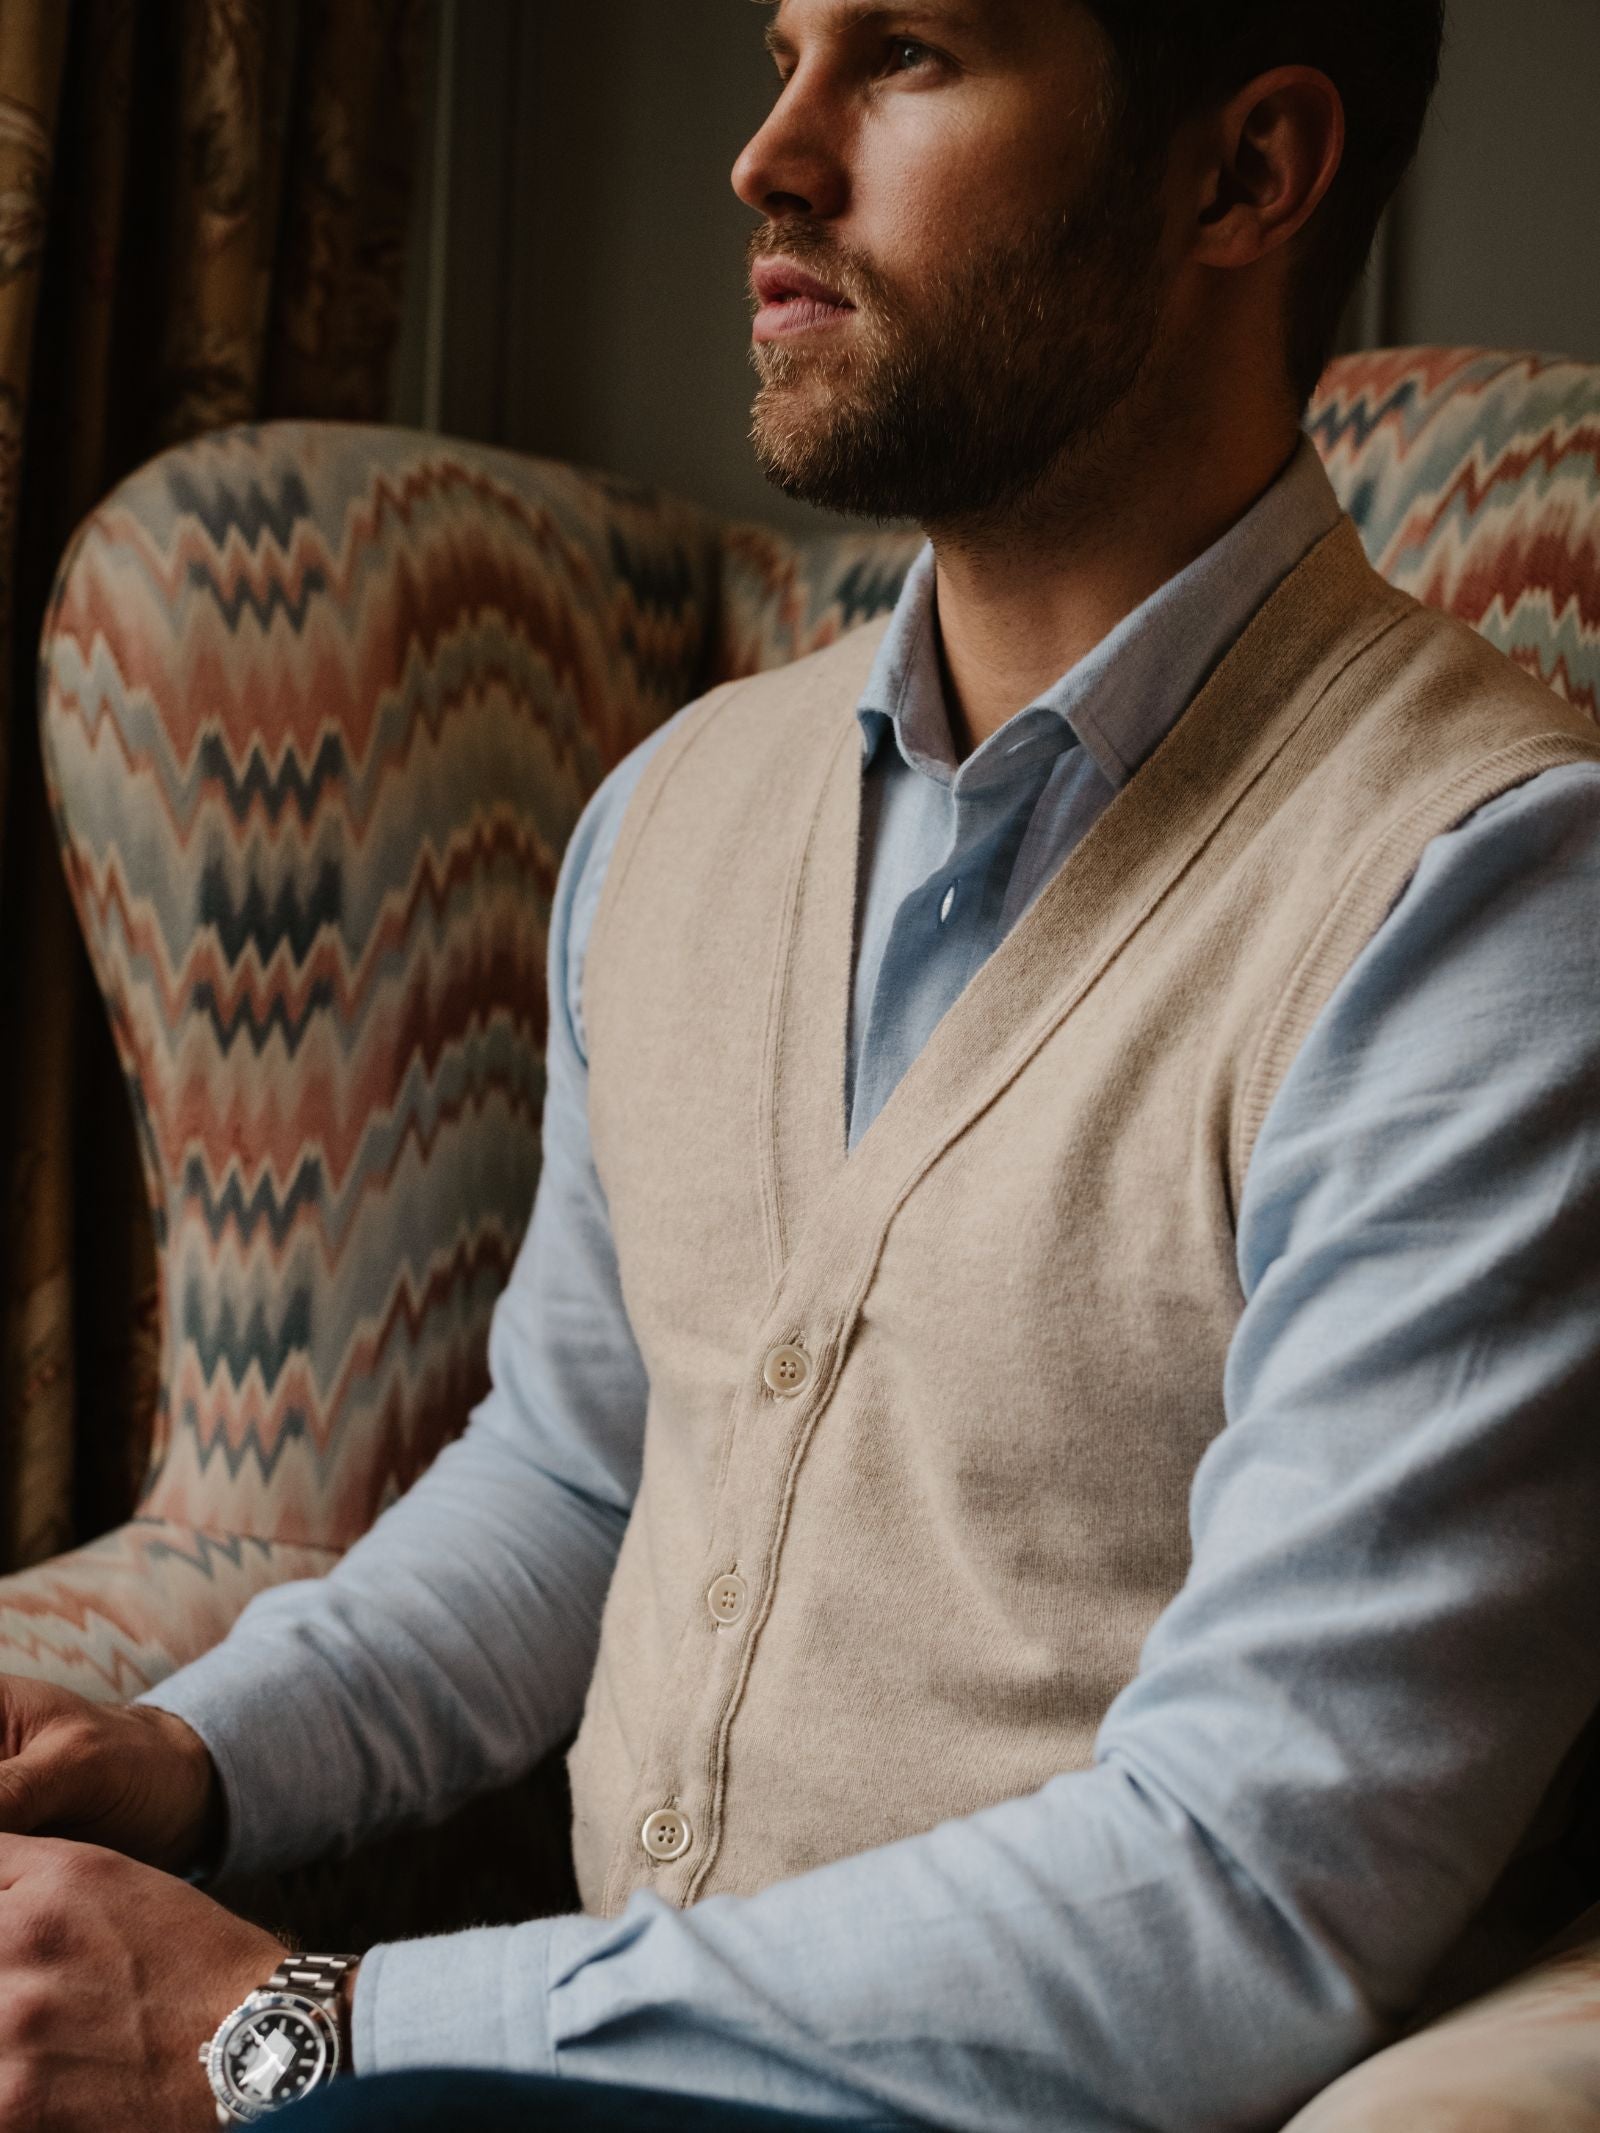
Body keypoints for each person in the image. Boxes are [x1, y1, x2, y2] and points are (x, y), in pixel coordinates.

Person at [0, 0, 1597, 2127]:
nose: (769, 151)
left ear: (1243, 174)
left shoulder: (1485, 898)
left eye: (908, 54)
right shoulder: (671, 808)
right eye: (782, 50)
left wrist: (301, 2026)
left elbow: (1246, 1885)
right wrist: (187, 1752)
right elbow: (572, 1478)